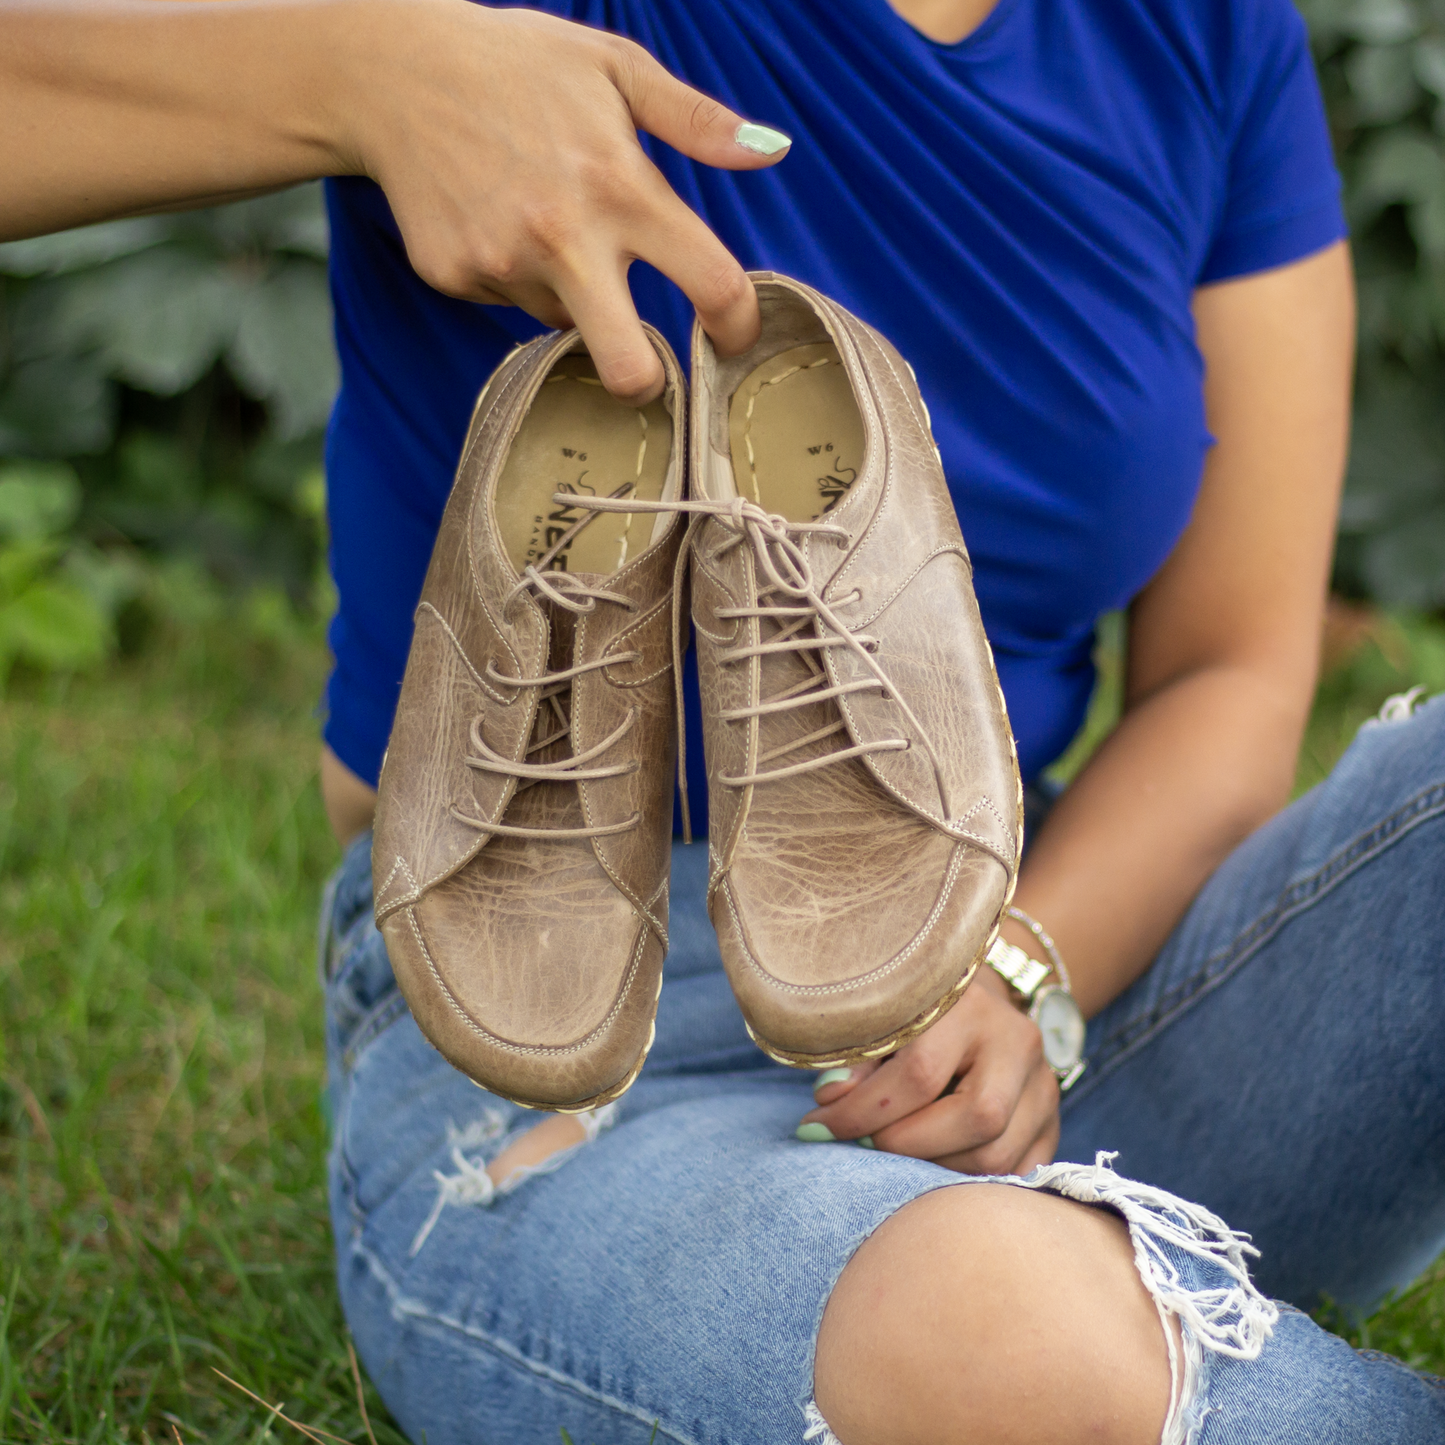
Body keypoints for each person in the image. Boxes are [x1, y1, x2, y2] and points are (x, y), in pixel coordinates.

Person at [7, 1, 1445, 1441]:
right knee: (1012, 1341)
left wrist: (1019, 968)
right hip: (572, 1060)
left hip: (1045, 974)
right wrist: (370, 72)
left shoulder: (1198, 28)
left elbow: (1234, 672)